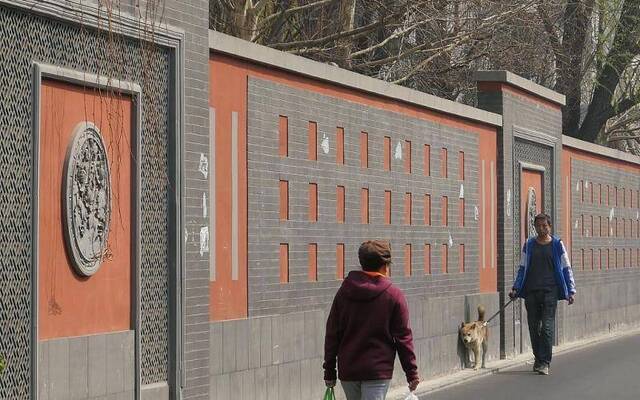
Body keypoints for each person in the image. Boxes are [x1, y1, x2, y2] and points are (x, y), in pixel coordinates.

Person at [323, 240, 419, 400]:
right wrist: (411, 373)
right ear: (385, 266)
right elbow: (403, 338)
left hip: (349, 371)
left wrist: (329, 371)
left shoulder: (344, 292)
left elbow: (332, 334)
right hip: (377, 370)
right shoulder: (394, 295)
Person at [509, 213, 576, 376]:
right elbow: (522, 268)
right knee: (533, 327)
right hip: (531, 292)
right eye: (538, 226)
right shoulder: (529, 245)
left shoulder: (557, 244)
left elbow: (566, 267)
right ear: (535, 227)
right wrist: (516, 288)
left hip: (550, 292)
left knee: (546, 327)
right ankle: (538, 359)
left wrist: (571, 290)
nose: (541, 228)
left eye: (544, 225)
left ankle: (545, 362)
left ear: (550, 227)